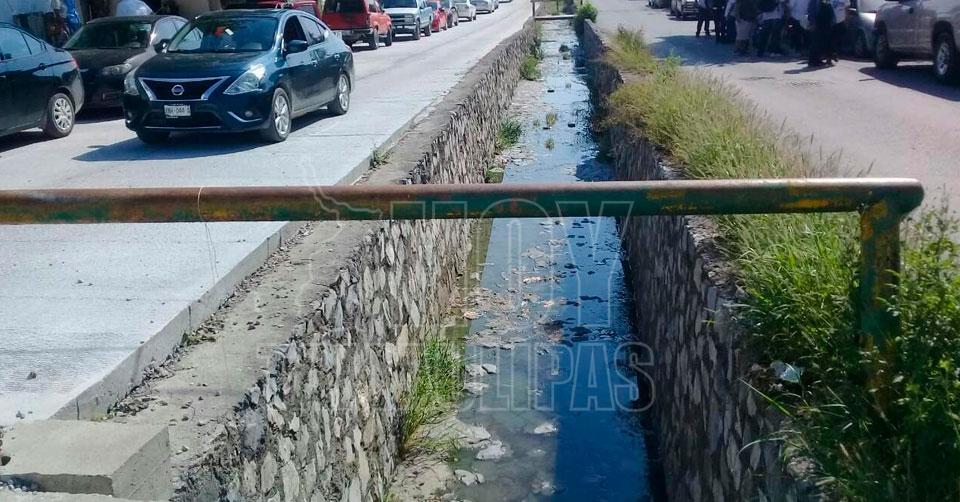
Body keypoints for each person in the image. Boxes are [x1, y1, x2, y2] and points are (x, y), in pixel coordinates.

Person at [806, 0, 834, 66]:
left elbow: (830, 10)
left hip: (826, 24)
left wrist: (832, 20)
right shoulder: (814, 1)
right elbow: (811, 11)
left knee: (822, 42)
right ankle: (812, 61)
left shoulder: (827, 1)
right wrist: (812, 23)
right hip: (818, 24)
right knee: (816, 42)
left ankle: (818, 59)